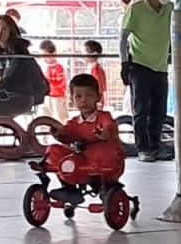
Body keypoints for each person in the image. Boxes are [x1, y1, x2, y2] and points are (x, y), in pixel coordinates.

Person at [43, 73, 124, 207]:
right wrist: (58, 134)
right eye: (79, 96)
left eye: (89, 96)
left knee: (102, 150)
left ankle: (107, 187)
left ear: (98, 97)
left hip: (104, 164)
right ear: (72, 99)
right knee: (53, 150)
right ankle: (68, 187)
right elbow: (67, 134)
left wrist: (105, 133)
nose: (84, 100)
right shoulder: (74, 123)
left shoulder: (104, 117)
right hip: (82, 163)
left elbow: (109, 126)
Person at [120, 0, 172, 163]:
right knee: (141, 109)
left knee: (159, 110)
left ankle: (155, 146)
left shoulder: (169, 8)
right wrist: (124, 63)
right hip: (139, 64)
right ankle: (143, 148)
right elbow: (123, 37)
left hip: (161, 66)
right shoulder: (136, 9)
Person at [38, 40, 69, 122]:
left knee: (60, 118)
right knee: (43, 117)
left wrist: (44, 80)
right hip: (45, 96)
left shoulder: (59, 67)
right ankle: (43, 130)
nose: (47, 58)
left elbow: (58, 82)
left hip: (57, 96)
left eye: (50, 55)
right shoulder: (41, 66)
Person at [83, 40, 107, 104]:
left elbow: (99, 87)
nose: (83, 55)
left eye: (85, 51)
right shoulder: (91, 67)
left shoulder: (96, 69)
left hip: (95, 100)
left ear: (94, 54)